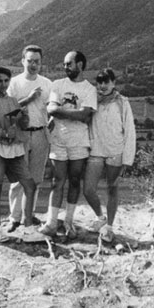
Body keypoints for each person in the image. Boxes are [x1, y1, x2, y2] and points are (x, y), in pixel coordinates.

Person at [39, 50, 97, 238]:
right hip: (59, 141)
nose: (65, 67)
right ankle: (51, 222)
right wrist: (76, 114)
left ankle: (69, 222)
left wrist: (62, 111)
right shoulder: (57, 84)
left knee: (74, 181)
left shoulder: (89, 89)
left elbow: (84, 115)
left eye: (68, 64)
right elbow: (51, 109)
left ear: (80, 65)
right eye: (64, 64)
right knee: (57, 182)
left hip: (79, 143)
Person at [0, 66, 38, 242]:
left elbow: (21, 125)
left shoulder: (13, 101)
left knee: (29, 184)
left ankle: (28, 226)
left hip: (14, 149)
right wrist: (3, 134)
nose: (3, 84)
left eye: (6, 81)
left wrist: (23, 119)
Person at [82, 68, 136, 243]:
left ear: (114, 83)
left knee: (112, 188)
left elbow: (129, 130)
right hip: (96, 150)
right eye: (100, 82)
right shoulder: (92, 101)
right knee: (88, 190)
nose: (103, 86)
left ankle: (109, 228)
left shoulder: (122, 102)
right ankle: (100, 218)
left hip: (115, 152)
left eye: (106, 82)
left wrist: (128, 159)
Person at [6, 45, 52, 231]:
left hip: (41, 133)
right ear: (23, 61)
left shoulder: (47, 83)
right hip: (21, 134)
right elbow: (8, 109)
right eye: (30, 61)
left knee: (35, 178)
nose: (33, 65)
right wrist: (30, 98)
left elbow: (51, 107)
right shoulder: (15, 83)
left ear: (41, 63)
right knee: (18, 179)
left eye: (37, 61)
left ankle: (28, 215)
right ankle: (14, 218)